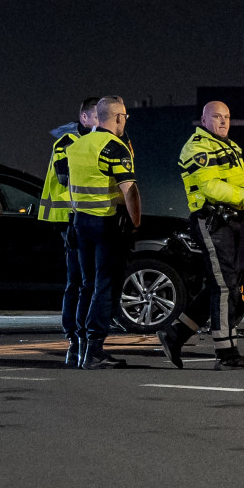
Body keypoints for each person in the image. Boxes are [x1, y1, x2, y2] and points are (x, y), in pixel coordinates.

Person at [158, 101, 244, 369]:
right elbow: (213, 188)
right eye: (217, 117)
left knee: (223, 286)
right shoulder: (197, 148)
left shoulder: (229, 146)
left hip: (234, 222)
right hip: (212, 221)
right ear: (204, 120)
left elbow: (241, 182)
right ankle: (226, 353)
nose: (224, 121)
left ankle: (174, 335)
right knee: (224, 287)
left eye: (227, 116)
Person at [63, 96, 141, 369]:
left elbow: (71, 189)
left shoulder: (76, 145)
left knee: (86, 285)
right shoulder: (114, 147)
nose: (124, 123)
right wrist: (135, 223)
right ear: (118, 118)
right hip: (107, 224)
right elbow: (129, 190)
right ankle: (95, 350)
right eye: (124, 118)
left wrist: (76, 219)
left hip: (81, 222)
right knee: (105, 287)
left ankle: (79, 346)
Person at [40, 98, 98, 367]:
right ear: (84, 118)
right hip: (69, 218)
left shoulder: (90, 141)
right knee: (77, 281)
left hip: (81, 217)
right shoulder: (67, 143)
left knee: (85, 281)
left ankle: (81, 338)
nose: (102, 122)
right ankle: (75, 340)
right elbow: (65, 181)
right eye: (97, 116)